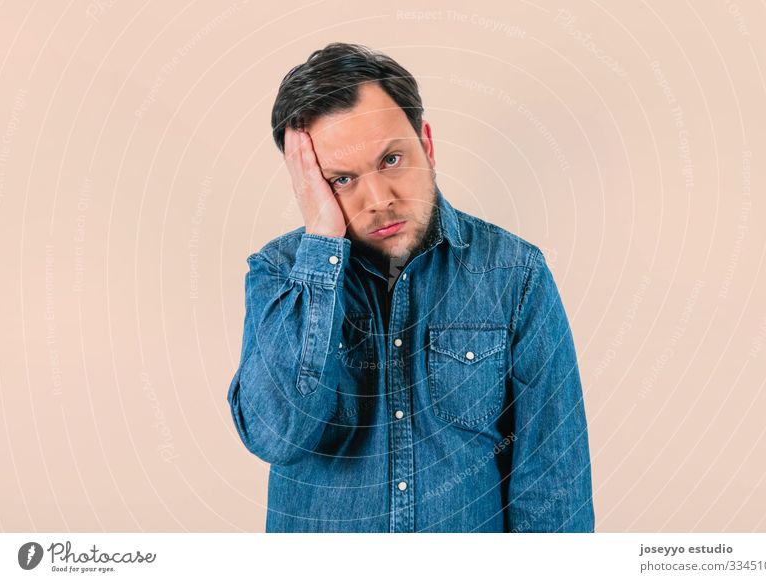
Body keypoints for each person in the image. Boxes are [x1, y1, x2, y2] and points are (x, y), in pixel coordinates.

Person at [227, 42, 595, 533]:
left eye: (392, 159)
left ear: (427, 143)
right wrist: (321, 249)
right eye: (341, 179)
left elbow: (554, 488)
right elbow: (277, 437)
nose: (378, 199)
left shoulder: (515, 274)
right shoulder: (279, 274)